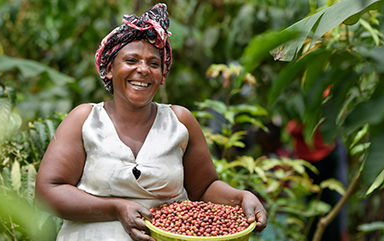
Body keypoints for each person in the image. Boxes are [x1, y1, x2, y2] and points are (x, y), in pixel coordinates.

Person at [35, 3, 267, 241]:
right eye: (131, 60)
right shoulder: (85, 120)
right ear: (109, 70)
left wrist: (240, 197)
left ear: (162, 75)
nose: (143, 70)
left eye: (153, 64)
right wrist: (116, 208)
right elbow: (47, 192)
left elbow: (205, 188)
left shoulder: (180, 121)